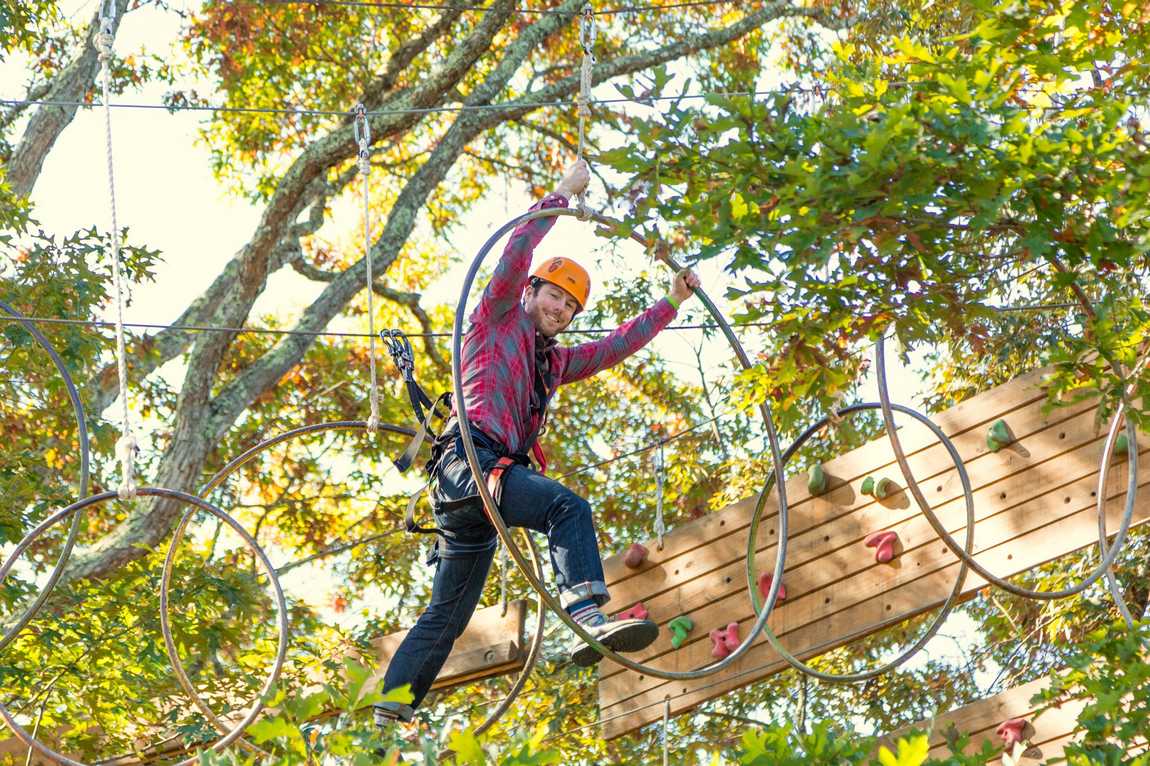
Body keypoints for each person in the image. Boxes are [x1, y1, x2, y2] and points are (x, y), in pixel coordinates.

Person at [375, 159, 701, 725]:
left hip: (480, 491)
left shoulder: (551, 363)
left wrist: (671, 303)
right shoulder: (496, 316)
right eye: (555, 296)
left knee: (449, 615)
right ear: (531, 291)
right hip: (469, 464)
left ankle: (388, 713)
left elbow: (614, 348)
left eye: (571, 307)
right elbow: (512, 254)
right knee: (564, 507)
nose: (562, 310)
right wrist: (558, 197)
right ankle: (586, 614)